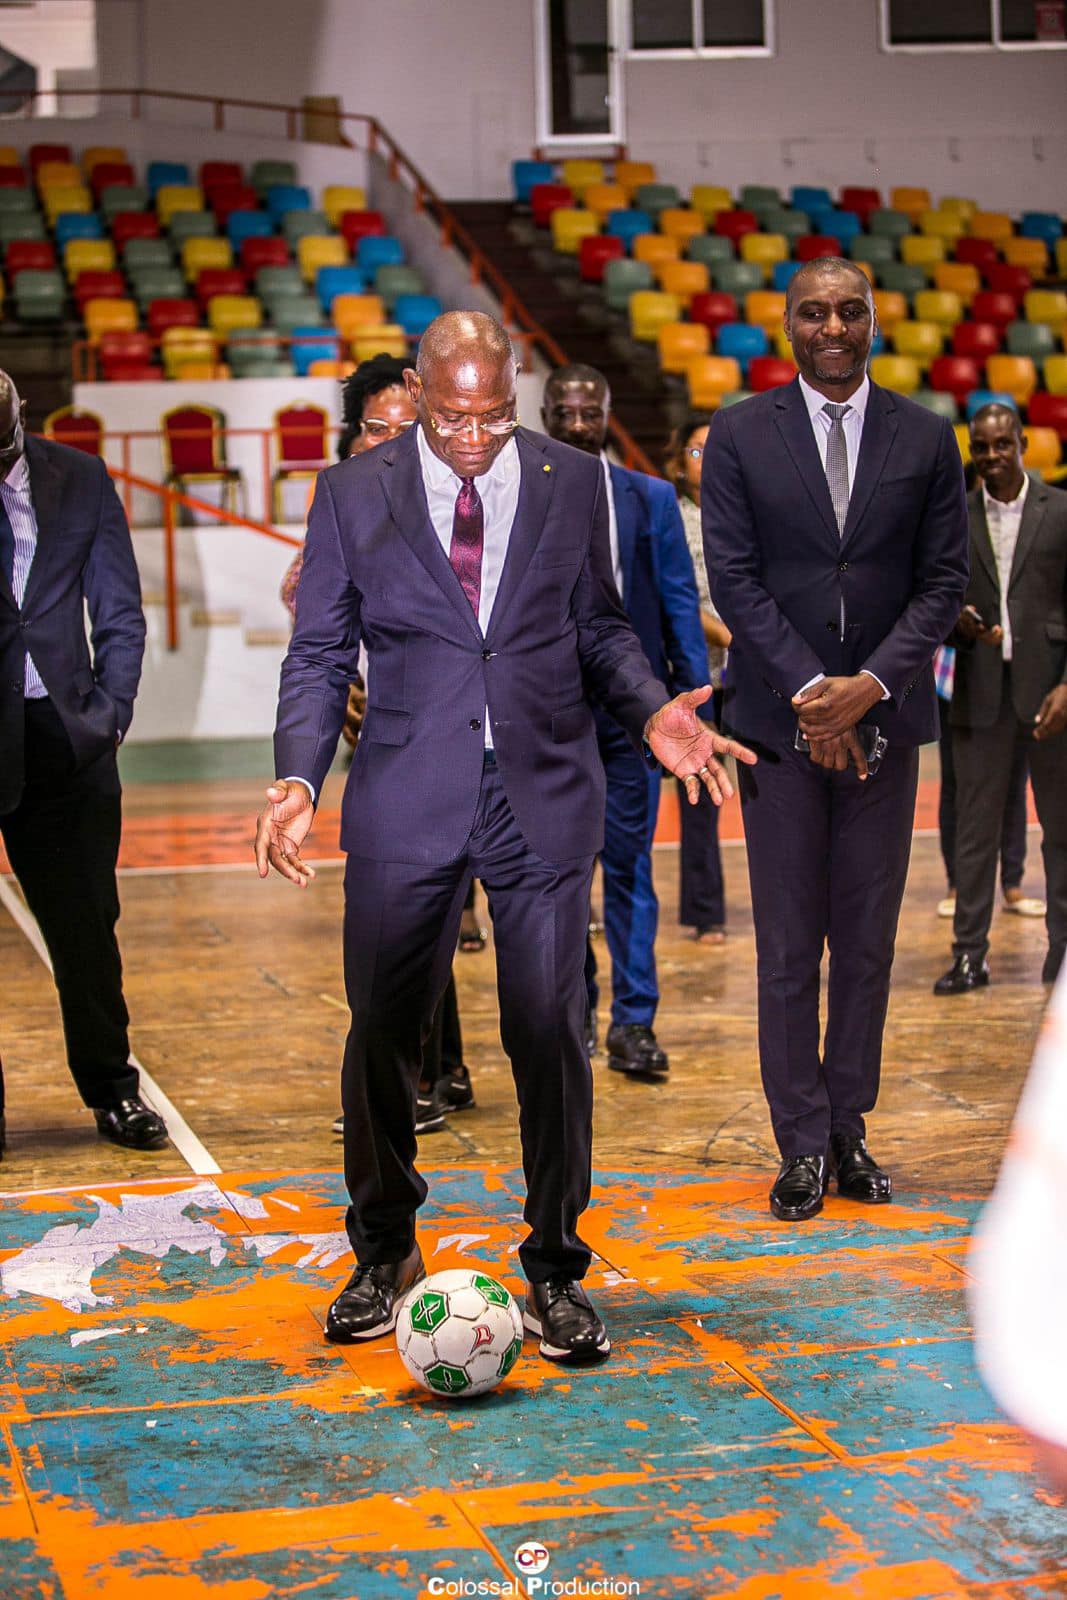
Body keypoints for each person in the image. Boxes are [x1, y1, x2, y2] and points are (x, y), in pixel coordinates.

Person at [256, 311, 753, 1363]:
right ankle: (382, 1247)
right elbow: (320, 649)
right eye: (450, 418)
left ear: (514, 388)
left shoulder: (573, 483)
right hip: (406, 789)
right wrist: (298, 775)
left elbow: (600, 627)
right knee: (382, 1028)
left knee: (548, 1026)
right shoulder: (353, 491)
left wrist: (650, 710)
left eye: (491, 416)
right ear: (418, 394)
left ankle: (556, 1264)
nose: (473, 439)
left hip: (541, 790)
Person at [702, 259, 968, 1223]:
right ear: (787, 325)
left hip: (886, 725)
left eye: (848, 311)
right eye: (813, 312)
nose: (832, 327)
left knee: (864, 943)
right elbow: (733, 578)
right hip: (778, 729)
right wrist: (815, 695)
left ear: (872, 322)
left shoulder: (925, 436)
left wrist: (869, 688)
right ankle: (799, 1143)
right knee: (787, 948)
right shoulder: (739, 432)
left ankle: (848, 1127)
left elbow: (942, 582)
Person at [277, 354, 474, 1133]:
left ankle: (430, 1071)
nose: (389, 440)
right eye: (374, 427)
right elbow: (316, 630)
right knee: (410, 913)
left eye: (405, 426)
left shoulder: (459, 506)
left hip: (469, 740)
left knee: (432, 914)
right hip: (388, 736)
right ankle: (433, 1070)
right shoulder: (344, 504)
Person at [0, 370, 165, 1156]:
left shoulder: (81, 477)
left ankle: (112, 1090)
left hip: (65, 738)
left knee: (86, 930)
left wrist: (111, 713)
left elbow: (120, 608)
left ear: (19, 417)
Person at [540, 365, 710, 1079]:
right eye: (565, 412)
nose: (579, 424)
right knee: (558, 874)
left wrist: (692, 701)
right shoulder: (516, 493)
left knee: (630, 869)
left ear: (608, 413)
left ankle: (634, 1022)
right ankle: (573, 1010)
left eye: (590, 412)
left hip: (633, 717)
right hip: (547, 718)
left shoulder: (649, 497)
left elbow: (678, 602)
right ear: (545, 414)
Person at [934, 403, 1067, 993]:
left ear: (1022, 446)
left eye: (1002, 444)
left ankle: (1061, 957)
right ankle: (969, 956)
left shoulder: (1061, 510)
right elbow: (931, 599)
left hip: (1052, 695)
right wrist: (954, 623)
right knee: (975, 834)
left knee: (1061, 831)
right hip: (977, 691)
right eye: (982, 447)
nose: (992, 456)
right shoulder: (952, 517)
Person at [665, 412, 732, 944]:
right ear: (678, 463)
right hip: (696, 675)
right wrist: (733, 638)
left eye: (714, 448)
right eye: (695, 450)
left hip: (750, 675)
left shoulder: (744, 517)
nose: (705, 459)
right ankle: (706, 910)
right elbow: (681, 602)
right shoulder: (672, 519)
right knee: (701, 793)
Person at [934, 643, 1042, 921]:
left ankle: (1012, 884)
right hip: (957, 678)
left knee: (1015, 782)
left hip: (1014, 676)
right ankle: (957, 885)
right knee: (956, 783)